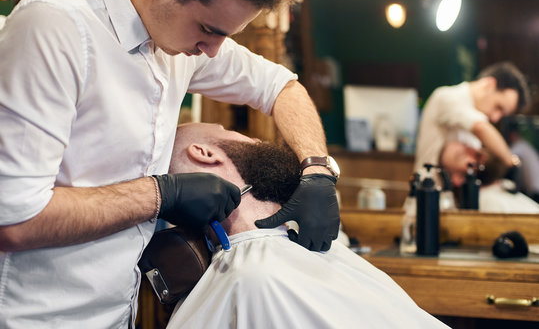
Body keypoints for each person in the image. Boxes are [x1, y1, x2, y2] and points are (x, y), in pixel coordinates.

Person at [0, 0, 340, 327]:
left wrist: (318, 170)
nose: (212, 51)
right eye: (209, 29)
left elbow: (281, 87)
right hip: (29, 316)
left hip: (117, 315)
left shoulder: (178, 39)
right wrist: (161, 195)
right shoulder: (56, 27)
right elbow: (14, 220)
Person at [164, 122, 448, 329]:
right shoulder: (256, 279)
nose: (253, 136)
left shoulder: (283, 251)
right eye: (226, 130)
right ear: (203, 152)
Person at [414, 62, 530, 176]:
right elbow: (481, 128)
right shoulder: (446, 97)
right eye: (498, 107)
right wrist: (510, 160)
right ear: (489, 84)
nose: (495, 118)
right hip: (427, 190)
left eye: (502, 114)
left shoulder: (476, 115)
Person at [439, 139, 539, 214]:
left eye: (467, 146)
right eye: (461, 155)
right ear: (457, 179)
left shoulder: (505, 186)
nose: (473, 150)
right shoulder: (485, 204)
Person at [505, 118, 539, 202]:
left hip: (535, 189)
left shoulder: (520, 145)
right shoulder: (524, 145)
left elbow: (506, 157)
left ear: (514, 134)